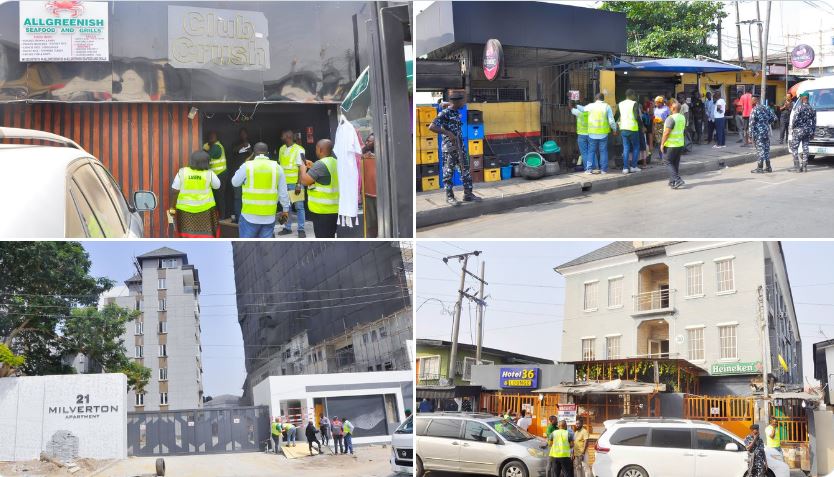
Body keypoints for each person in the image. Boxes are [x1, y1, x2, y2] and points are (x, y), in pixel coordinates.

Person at [429, 91, 480, 205]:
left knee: (465, 171)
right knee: (448, 173)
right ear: (457, 101)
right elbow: (431, 126)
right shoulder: (445, 113)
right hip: (450, 148)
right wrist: (448, 133)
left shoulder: (456, 111)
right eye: (462, 100)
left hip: (460, 147)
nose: (464, 103)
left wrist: (448, 103)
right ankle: (449, 197)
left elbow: (448, 104)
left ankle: (468, 194)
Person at [230, 142, 290, 238]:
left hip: (249, 216)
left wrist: (245, 162)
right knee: (265, 250)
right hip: (269, 217)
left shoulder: (247, 166)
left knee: (247, 248)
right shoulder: (277, 168)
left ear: (253, 153)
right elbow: (283, 193)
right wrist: (285, 210)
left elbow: (234, 182)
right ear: (268, 153)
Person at [170, 150, 221, 238]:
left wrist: (172, 207)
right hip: (206, 211)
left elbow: (175, 190)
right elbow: (217, 186)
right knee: (206, 237)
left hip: (185, 211)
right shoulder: (209, 173)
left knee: (185, 236)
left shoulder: (183, 172)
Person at [299, 139, 339, 238]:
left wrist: (303, 169)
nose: (315, 150)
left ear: (320, 150)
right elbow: (325, 176)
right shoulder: (335, 162)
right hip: (334, 209)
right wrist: (313, 166)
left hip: (322, 211)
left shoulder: (320, 164)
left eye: (316, 148)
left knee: (322, 238)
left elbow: (304, 181)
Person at [275, 129, 307, 238]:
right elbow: (280, 166)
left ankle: (301, 229)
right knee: (286, 206)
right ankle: (287, 228)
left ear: (288, 136)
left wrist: (299, 184)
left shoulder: (299, 150)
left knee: (299, 207)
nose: (281, 137)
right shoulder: (281, 149)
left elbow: (302, 168)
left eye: (282, 135)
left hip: (295, 184)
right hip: (284, 184)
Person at [585, 93, 618, 174]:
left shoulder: (590, 106)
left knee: (591, 151)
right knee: (603, 151)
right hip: (603, 134)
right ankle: (603, 170)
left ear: (596, 98)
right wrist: (614, 129)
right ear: (603, 99)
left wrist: (575, 105)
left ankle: (589, 169)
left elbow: (582, 109)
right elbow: (611, 120)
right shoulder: (607, 106)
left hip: (592, 133)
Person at [661, 99, 687, 189]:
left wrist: (662, 144)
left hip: (671, 145)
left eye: (670, 106)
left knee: (667, 162)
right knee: (675, 163)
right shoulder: (682, 117)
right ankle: (673, 181)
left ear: (673, 108)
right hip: (679, 144)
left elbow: (666, 133)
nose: (669, 107)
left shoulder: (671, 118)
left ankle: (677, 179)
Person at [788, 91, 817, 173]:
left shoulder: (799, 108)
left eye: (801, 97)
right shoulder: (812, 109)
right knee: (805, 148)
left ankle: (797, 167)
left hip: (798, 131)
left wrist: (793, 128)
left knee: (794, 148)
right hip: (808, 131)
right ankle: (804, 167)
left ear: (803, 98)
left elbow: (794, 120)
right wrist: (813, 132)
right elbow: (814, 122)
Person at [749, 94, 778, 173]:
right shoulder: (766, 107)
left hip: (758, 133)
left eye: (752, 99)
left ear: (755, 100)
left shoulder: (754, 109)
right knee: (766, 149)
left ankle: (760, 167)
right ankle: (768, 167)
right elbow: (774, 118)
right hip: (766, 132)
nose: (751, 101)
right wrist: (767, 123)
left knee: (760, 150)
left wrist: (750, 135)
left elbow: (751, 123)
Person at [202, 131, 228, 218]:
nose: (211, 138)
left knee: (219, 196)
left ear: (216, 138)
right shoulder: (214, 146)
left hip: (220, 174)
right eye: (210, 136)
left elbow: (207, 157)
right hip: (217, 175)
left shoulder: (216, 147)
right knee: (217, 196)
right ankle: (220, 215)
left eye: (213, 136)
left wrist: (204, 150)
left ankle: (222, 216)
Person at [230, 128, 253, 222]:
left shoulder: (251, 143)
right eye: (241, 134)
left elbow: (253, 155)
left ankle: (248, 217)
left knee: (249, 196)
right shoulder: (236, 143)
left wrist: (249, 149)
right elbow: (233, 151)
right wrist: (242, 145)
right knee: (237, 196)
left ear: (247, 135)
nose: (243, 135)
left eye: (245, 134)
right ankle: (238, 217)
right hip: (238, 172)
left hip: (249, 174)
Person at [617, 89, 642, 174]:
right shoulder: (634, 103)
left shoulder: (620, 104)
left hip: (623, 128)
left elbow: (616, 115)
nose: (635, 97)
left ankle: (625, 168)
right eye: (634, 95)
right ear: (631, 95)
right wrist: (642, 125)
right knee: (636, 147)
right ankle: (633, 166)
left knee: (626, 148)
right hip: (633, 128)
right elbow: (636, 117)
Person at [570, 99, 590, 172]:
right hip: (591, 134)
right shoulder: (590, 112)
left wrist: (572, 102)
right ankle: (595, 167)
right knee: (591, 152)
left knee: (584, 153)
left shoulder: (578, 112)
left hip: (582, 134)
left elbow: (571, 109)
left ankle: (588, 168)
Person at [651, 96, 671, 163]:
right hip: (656, 126)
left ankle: (665, 157)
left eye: (657, 103)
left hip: (664, 126)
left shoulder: (666, 109)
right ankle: (661, 157)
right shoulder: (655, 109)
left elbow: (669, 118)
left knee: (664, 142)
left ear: (661, 102)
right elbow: (654, 117)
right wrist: (653, 127)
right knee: (659, 142)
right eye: (655, 103)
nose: (656, 104)